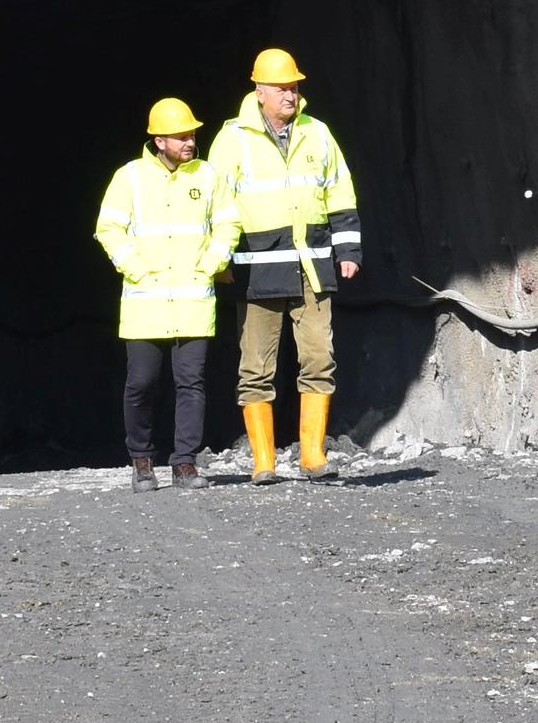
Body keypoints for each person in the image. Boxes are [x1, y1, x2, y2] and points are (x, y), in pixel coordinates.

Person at [208, 47, 360, 483]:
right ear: (259, 91)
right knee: (255, 368)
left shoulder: (318, 133)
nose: (290, 94)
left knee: (319, 359)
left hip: (311, 268)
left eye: (294, 87)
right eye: (281, 88)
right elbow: (217, 206)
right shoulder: (232, 139)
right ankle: (264, 463)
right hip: (256, 273)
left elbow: (341, 196)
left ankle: (313, 456)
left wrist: (348, 253)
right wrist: (220, 261)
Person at [95, 97, 233, 488]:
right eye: (181, 136)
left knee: (191, 383)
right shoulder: (130, 177)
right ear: (159, 141)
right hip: (146, 303)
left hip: (193, 300)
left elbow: (227, 223)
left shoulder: (208, 177)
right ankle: (141, 459)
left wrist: (212, 263)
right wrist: (135, 269)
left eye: (191, 134)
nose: (190, 141)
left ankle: (184, 462)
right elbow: (109, 228)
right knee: (141, 383)